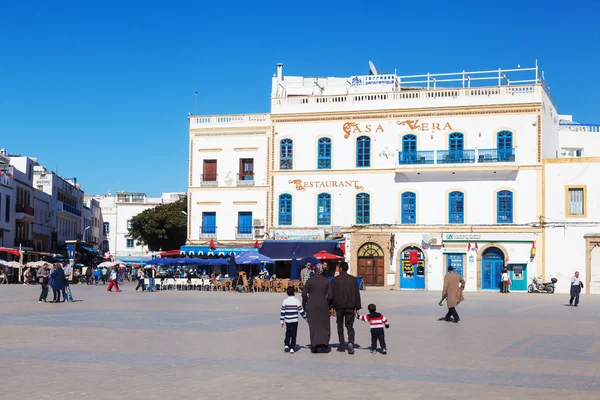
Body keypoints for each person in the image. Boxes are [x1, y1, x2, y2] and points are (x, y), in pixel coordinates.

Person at [329, 261, 362, 354]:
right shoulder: (353, 279)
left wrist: (331, 307)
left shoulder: (335, 280)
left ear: (341, 269)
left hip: (339, 306)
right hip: (350, 306)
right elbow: (356, 294)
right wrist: (357, 307)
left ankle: (342, 346)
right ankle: (351, 342)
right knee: (350, 326)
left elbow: (331, 295)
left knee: (340, 326)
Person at [301, 263, 331, 353]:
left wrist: (308, 300)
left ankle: (314, 345)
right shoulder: (326, 281)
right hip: (323, 305)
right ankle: (324, 344)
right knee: (324, 324)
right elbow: (330, 295)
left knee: (313, 325)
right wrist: (327, 303)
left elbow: (303, 294)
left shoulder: (310, 281)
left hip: (312, 305)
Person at [280, 286, 307, 354]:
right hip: (294, 320)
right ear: (294, 293)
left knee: (288, 332)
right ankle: (292, 347)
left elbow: (283, 312)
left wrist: (281, 321)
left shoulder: (285, 301)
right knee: (294, 333)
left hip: (288, 320)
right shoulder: (296, 301)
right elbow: (301, 311)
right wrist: (306, 318)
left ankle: (286, 344)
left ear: (287, 293)